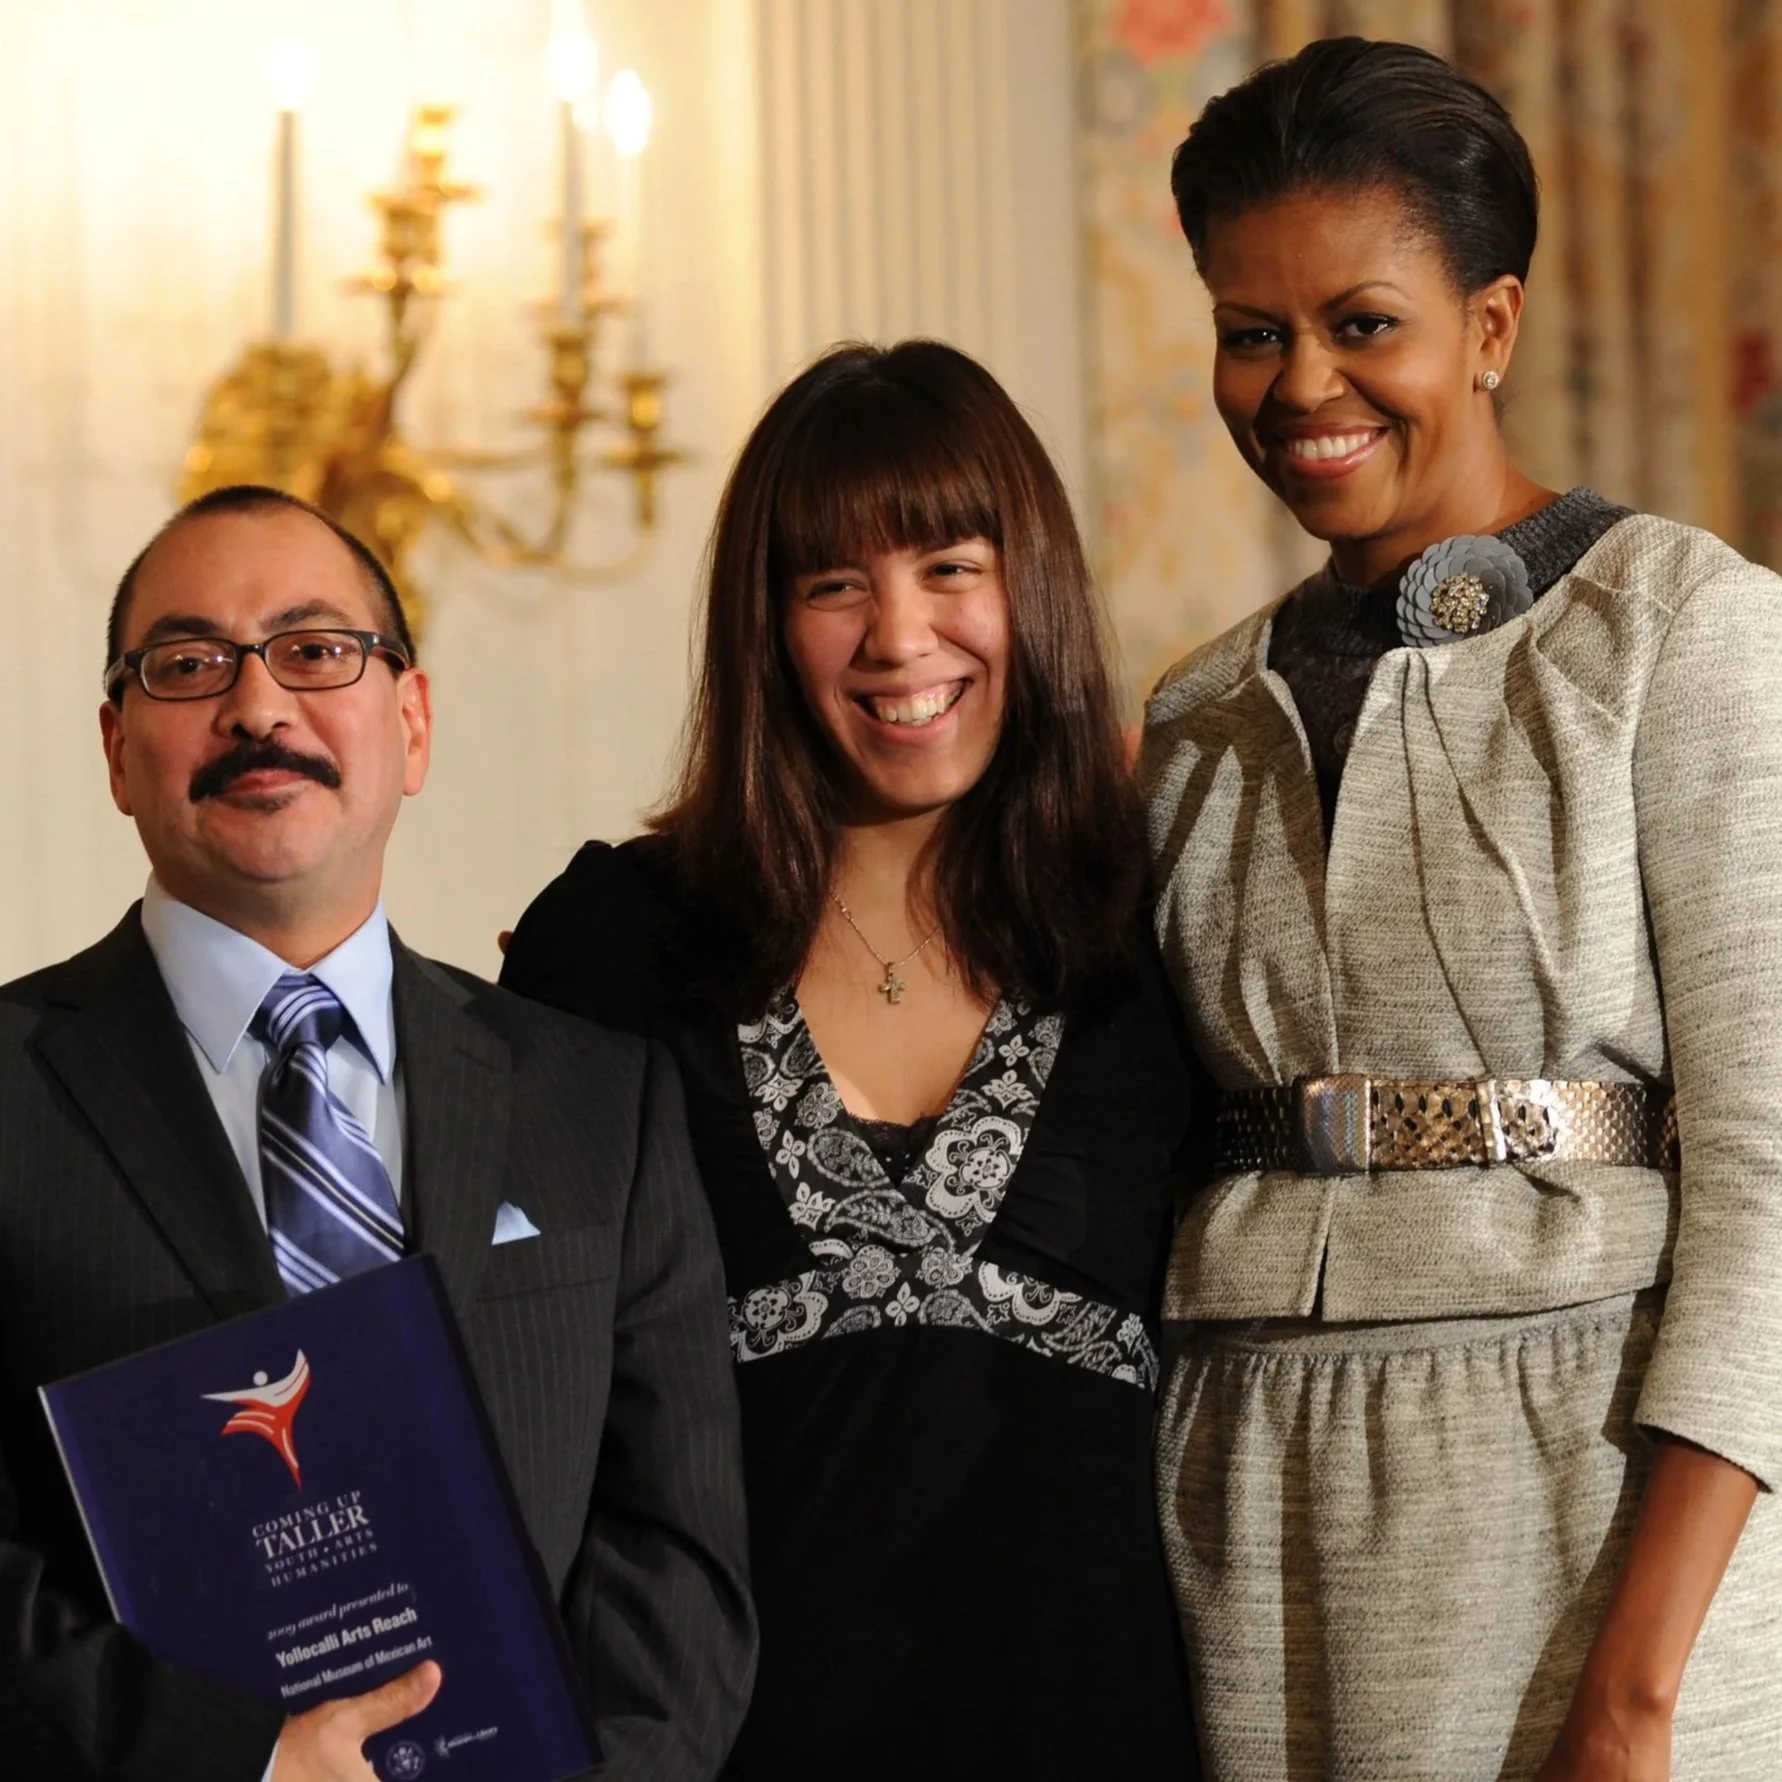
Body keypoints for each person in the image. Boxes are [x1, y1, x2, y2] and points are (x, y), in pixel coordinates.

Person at [1141, 35, 1782, 1782]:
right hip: (1252, 1495)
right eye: (1248, 329)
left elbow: (1766, 1191)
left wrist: (1636, 1694)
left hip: (1591, 1496)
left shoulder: (1677, 630)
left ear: (1489, 327)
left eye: (1362, 322)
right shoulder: (1190, 719)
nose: (1298, 385)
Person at [500, 340, 1200, 1781]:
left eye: (950, 565)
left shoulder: (1167, 920)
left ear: (1032, 585)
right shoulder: (613, 945)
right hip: (721, 1745)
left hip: (1107, 1728)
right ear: (764, 629)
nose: (898, 637)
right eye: (833, 586)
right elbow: (530, 1394)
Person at [0, 485, 755, 1781]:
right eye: (189, 664)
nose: (258, 708)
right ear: (118, 747)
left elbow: (675, 1548)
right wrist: (241, 1762)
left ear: (411, 721)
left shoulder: (599, 1102)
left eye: (315, 649)